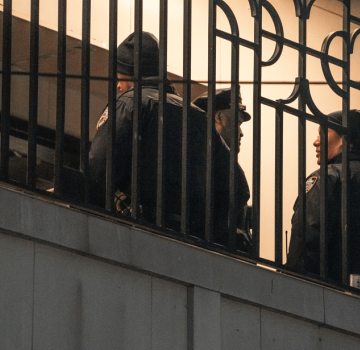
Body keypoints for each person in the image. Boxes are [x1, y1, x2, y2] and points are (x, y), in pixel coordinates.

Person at [87, 31, 249, 247]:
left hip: (136, 232)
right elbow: (237, 187)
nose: (118, 86)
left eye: (120, 77)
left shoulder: (129, 104)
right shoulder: (197, 117)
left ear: (132, 74)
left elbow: (98, 169)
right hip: (188, 241)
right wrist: (207, 228)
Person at [286, 110, 360, 300]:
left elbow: (305, 244)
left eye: (322, 133)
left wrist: (291, 290)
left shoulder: (327, 178)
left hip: (327, 300)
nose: (316, 141)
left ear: (344, 140)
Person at [193, 87, 253, 252]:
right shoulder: (204, 158)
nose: (241, 133)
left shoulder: (214, 158)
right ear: (218, 117)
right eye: (238, 123)